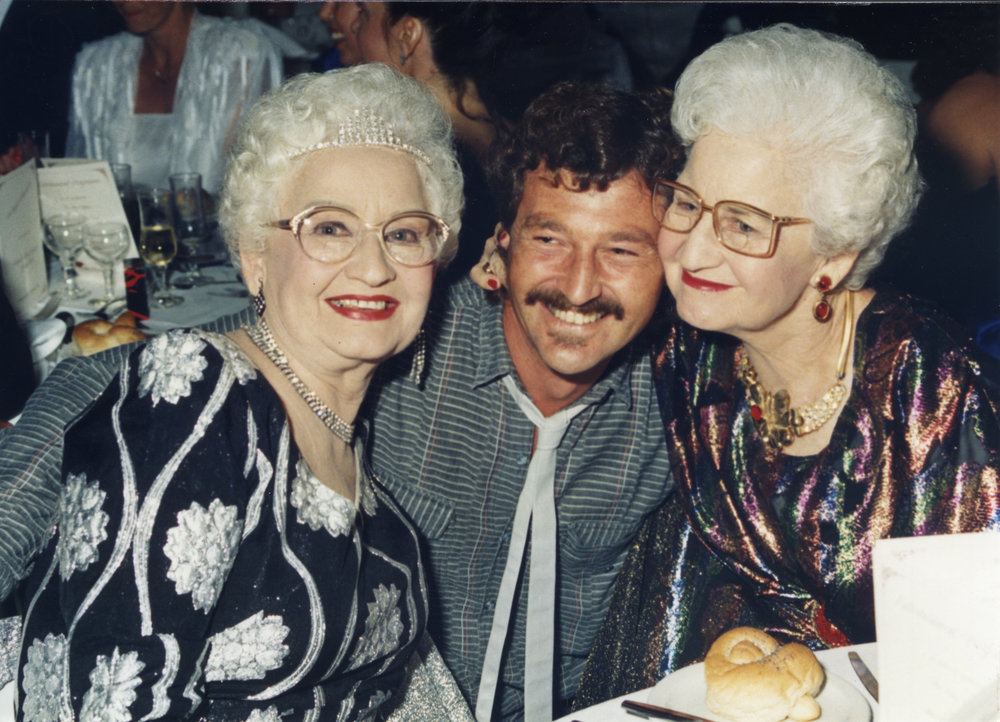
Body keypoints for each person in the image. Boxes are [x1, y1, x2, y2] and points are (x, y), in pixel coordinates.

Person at [0, 80, 679, 721]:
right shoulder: (315, 361)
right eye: (549, 239)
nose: (581, 284)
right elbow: (115, 382)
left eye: (622, 249)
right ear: (500, 246)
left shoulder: (673, 408)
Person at [13, 63, 469, 719]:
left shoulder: (359, 457)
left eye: (403, 233)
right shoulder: (196, 398)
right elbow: (110, 702)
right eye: (330, 226)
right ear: (254, 255)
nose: (374, 267)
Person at [575, 24, 1000, 708]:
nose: (691, 250)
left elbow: (979, 663)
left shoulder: (925, 388)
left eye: (743, 224)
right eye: (686, 202)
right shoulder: (687, 347)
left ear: (834, 254)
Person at [318, 2, 633, 280]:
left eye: (365, 13)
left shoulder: (413, 162)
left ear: (407, 37)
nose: (357, 30)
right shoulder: (517, 132)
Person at [66, 1, 282, 193]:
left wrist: (203, 206)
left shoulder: (239, 56)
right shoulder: (97, 66)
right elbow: (78, 184)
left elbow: (257, 183)